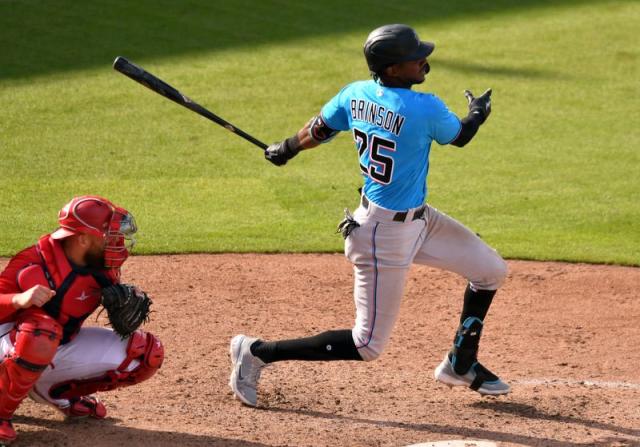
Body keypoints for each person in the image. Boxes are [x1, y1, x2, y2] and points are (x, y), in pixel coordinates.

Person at [228, 24, 509, 408]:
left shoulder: (355, 93)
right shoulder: (422, 107)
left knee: (491, 270)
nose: (424, 59)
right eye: (415, 57)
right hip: (382, 235)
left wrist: (287, 148)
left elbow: (319, 129)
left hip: (421, 221)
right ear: (393, 69)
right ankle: (257, 351)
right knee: (367, 344)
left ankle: (461, 361)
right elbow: (461, 135)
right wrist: (478, 111)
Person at [0, 195, 164, 444]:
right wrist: (18, 300)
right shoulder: (34, 262)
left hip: (53, 344)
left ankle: (55, 392)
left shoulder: (103, 266)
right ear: (83, 239)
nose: (117, 241)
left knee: (145, 354)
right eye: (109, 235)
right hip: (9, 340)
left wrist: (123, 310)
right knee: (42, 332)